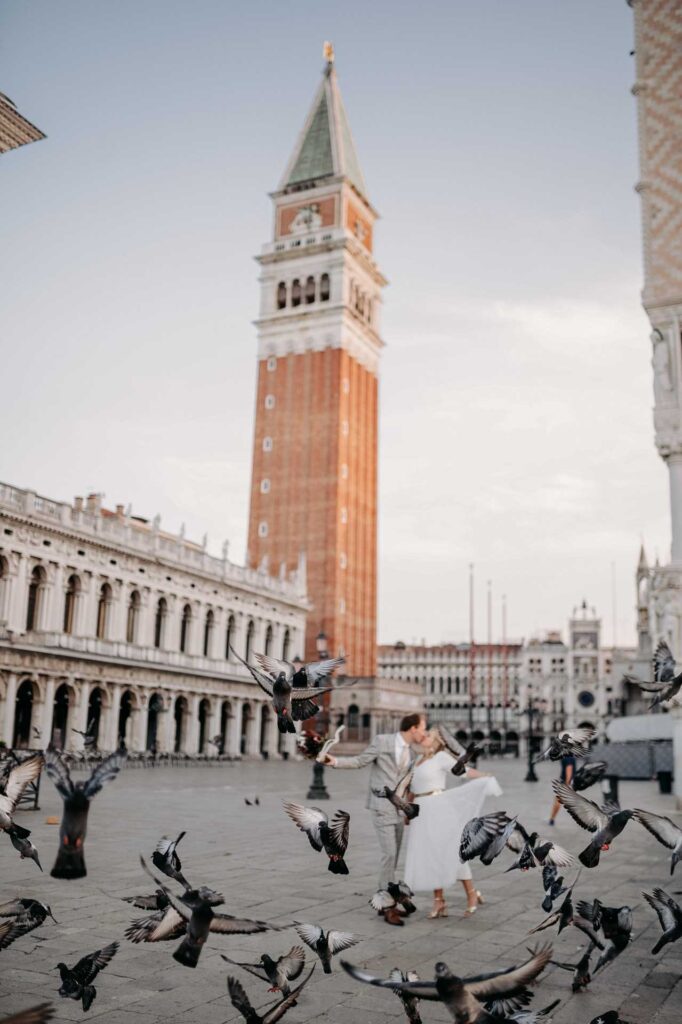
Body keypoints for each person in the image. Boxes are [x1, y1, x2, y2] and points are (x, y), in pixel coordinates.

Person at [322, 712, 427, 925]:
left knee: (394, 857)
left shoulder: (413, 753)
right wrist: (333, 761)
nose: (424, 732)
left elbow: (408, 783)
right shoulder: (383, 741)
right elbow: (360, 761)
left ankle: (386, 898)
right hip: (381, 807)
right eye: (423, 728)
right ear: (413, 728)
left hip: (399, 810)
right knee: (389, 855)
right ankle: (387, 905)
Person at [404, 726, 502, 918]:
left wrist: (484, 775)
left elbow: (463, 771)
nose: (424, 738)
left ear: (436, 742)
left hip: (438, 807)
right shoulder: (416, 761)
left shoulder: (441, 757)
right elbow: (412, 789)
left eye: (429, 736)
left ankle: (471, 894)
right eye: (424, 736)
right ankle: (439, 901)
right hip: (420, 810)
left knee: (451, 853)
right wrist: (407, 811)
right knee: (431, 856)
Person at [548, 753, 575, 825]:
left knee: (557, 801)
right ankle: (551, 819)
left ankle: (551, 820)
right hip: (569, 782)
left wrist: (566, 785)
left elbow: (569, 769)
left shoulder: (567, 757)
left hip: (566, 783)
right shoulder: (569, 755)